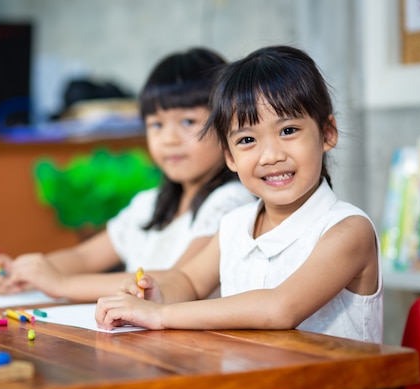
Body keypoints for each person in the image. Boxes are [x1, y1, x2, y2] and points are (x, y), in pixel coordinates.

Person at [95, 45, 383, 346]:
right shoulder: (235, 225)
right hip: (252, 382)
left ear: (327, 133)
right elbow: (190, 281)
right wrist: (157, 293)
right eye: (247, 139)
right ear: (229, 157)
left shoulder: (348, 230)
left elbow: (280, 308)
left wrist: (161, 315)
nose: (270, 155)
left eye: (288, 131)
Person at [0, 47, 256, 301]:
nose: (169, 139)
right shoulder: (150, 203)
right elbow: (84, 256)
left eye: (188, 121)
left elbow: (176, 280)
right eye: (156, 125)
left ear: (225, 124)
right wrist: (20, 272)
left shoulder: (231, 202)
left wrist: (62, 284)